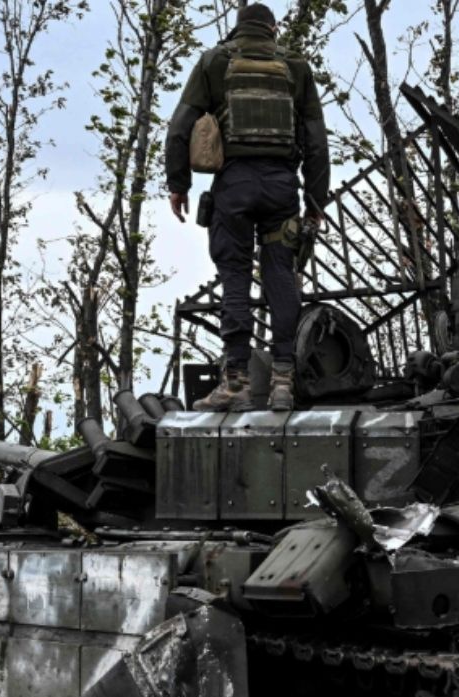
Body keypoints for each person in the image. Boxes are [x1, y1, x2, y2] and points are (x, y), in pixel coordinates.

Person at [164, 2, 330, 412]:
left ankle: (234, 383)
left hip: (233, 187)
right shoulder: (295, 68)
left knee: (234, 275)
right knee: (280, 274)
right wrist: (315, 201)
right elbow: (316, 141)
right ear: (272, 30)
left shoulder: (215, 62)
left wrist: (178, 184)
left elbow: (179, 127)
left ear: (239, 30)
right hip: (281, 187)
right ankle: (282, 382)